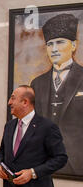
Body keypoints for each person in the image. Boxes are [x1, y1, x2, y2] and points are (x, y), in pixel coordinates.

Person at [31, 13, 83, 177]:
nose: (54, 49)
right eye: (50, 44)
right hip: (42, 163)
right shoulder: (37, 83)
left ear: (74, 45)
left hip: (77, 162)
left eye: (60, 42)